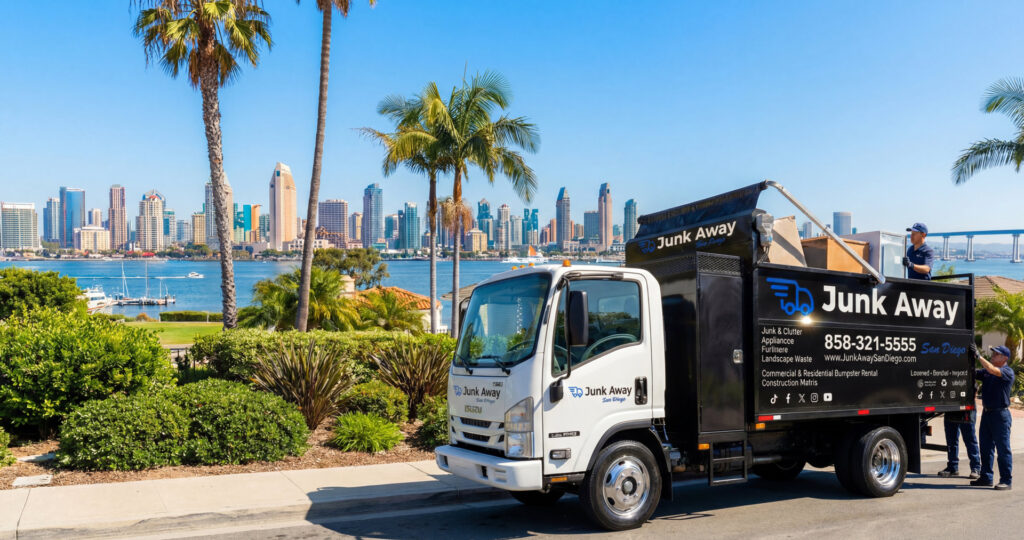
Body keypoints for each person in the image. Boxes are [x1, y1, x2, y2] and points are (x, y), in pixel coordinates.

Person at [970, 344, 1015, 490]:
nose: (993, 355)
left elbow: (993, 370)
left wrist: (979, 356)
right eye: (993, 354)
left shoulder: (1007, 372)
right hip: (987, 413)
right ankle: (986, 477)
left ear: (1004, 358)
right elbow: (975, 373)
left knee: (1003, 449)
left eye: (996, 354)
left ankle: (1006, 481)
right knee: (986, 447)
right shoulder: (987, 372)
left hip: (1000, 415)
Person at [936, 408, 981, 479]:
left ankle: (976, 468)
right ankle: (952, 467)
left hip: (966, 410)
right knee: (951, 440)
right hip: (951, 409)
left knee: (970, 440)